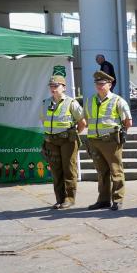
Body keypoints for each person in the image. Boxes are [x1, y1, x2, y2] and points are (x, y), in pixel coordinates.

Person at [84, 71, 132, 211]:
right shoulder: (90, 100)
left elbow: (128, 122)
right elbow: (85, 119)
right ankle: (103, 200)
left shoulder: (118, 100)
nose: (99, 86)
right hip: (94, 141)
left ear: (109, 85)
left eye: (102, 84)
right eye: (97, 84)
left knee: (116, 170)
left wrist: (120, 134)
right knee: (101, 172)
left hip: (111, 141)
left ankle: (117, 199)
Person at [40, 74, 86, 210]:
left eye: (56, 86)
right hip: (51, 141)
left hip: (67, 141)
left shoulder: (71, 103)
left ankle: (69, 199)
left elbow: (82, 122)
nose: (53, 89)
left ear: (63, 87)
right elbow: (44, 120)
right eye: (51, 86)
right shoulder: (45, 103)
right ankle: (59, 199)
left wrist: (74, 134)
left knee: (69, 169)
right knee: (56, 170)